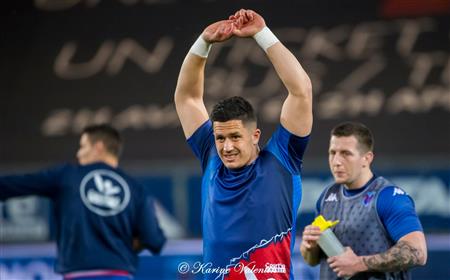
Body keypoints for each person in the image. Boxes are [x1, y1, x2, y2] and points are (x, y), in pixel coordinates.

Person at [174, 9, 312, 279]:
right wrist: (203, 42)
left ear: (255, 135)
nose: (226, 147)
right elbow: (187, 98)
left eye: (235, 137)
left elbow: (301, 91)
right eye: (220, 138)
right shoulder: (211, 157)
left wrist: (262, 33)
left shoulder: (283, 158)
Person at [0, 124, 166, 280]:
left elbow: (17, 184)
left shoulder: (66, 176)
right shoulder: (136, 190)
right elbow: (155, 240)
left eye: (83, 146)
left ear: (98, 147)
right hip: (119, 273)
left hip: (78, 274)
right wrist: (122, 246)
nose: (79, 153)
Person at [300, 122, 427, 279]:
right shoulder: (327, 196)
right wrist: (309, 246)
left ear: (366, 158)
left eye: (346, 153)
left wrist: (359, 263)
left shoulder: (388, 197)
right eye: (333, 153)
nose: (336, 161)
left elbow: (418, 252)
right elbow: (313, 260)